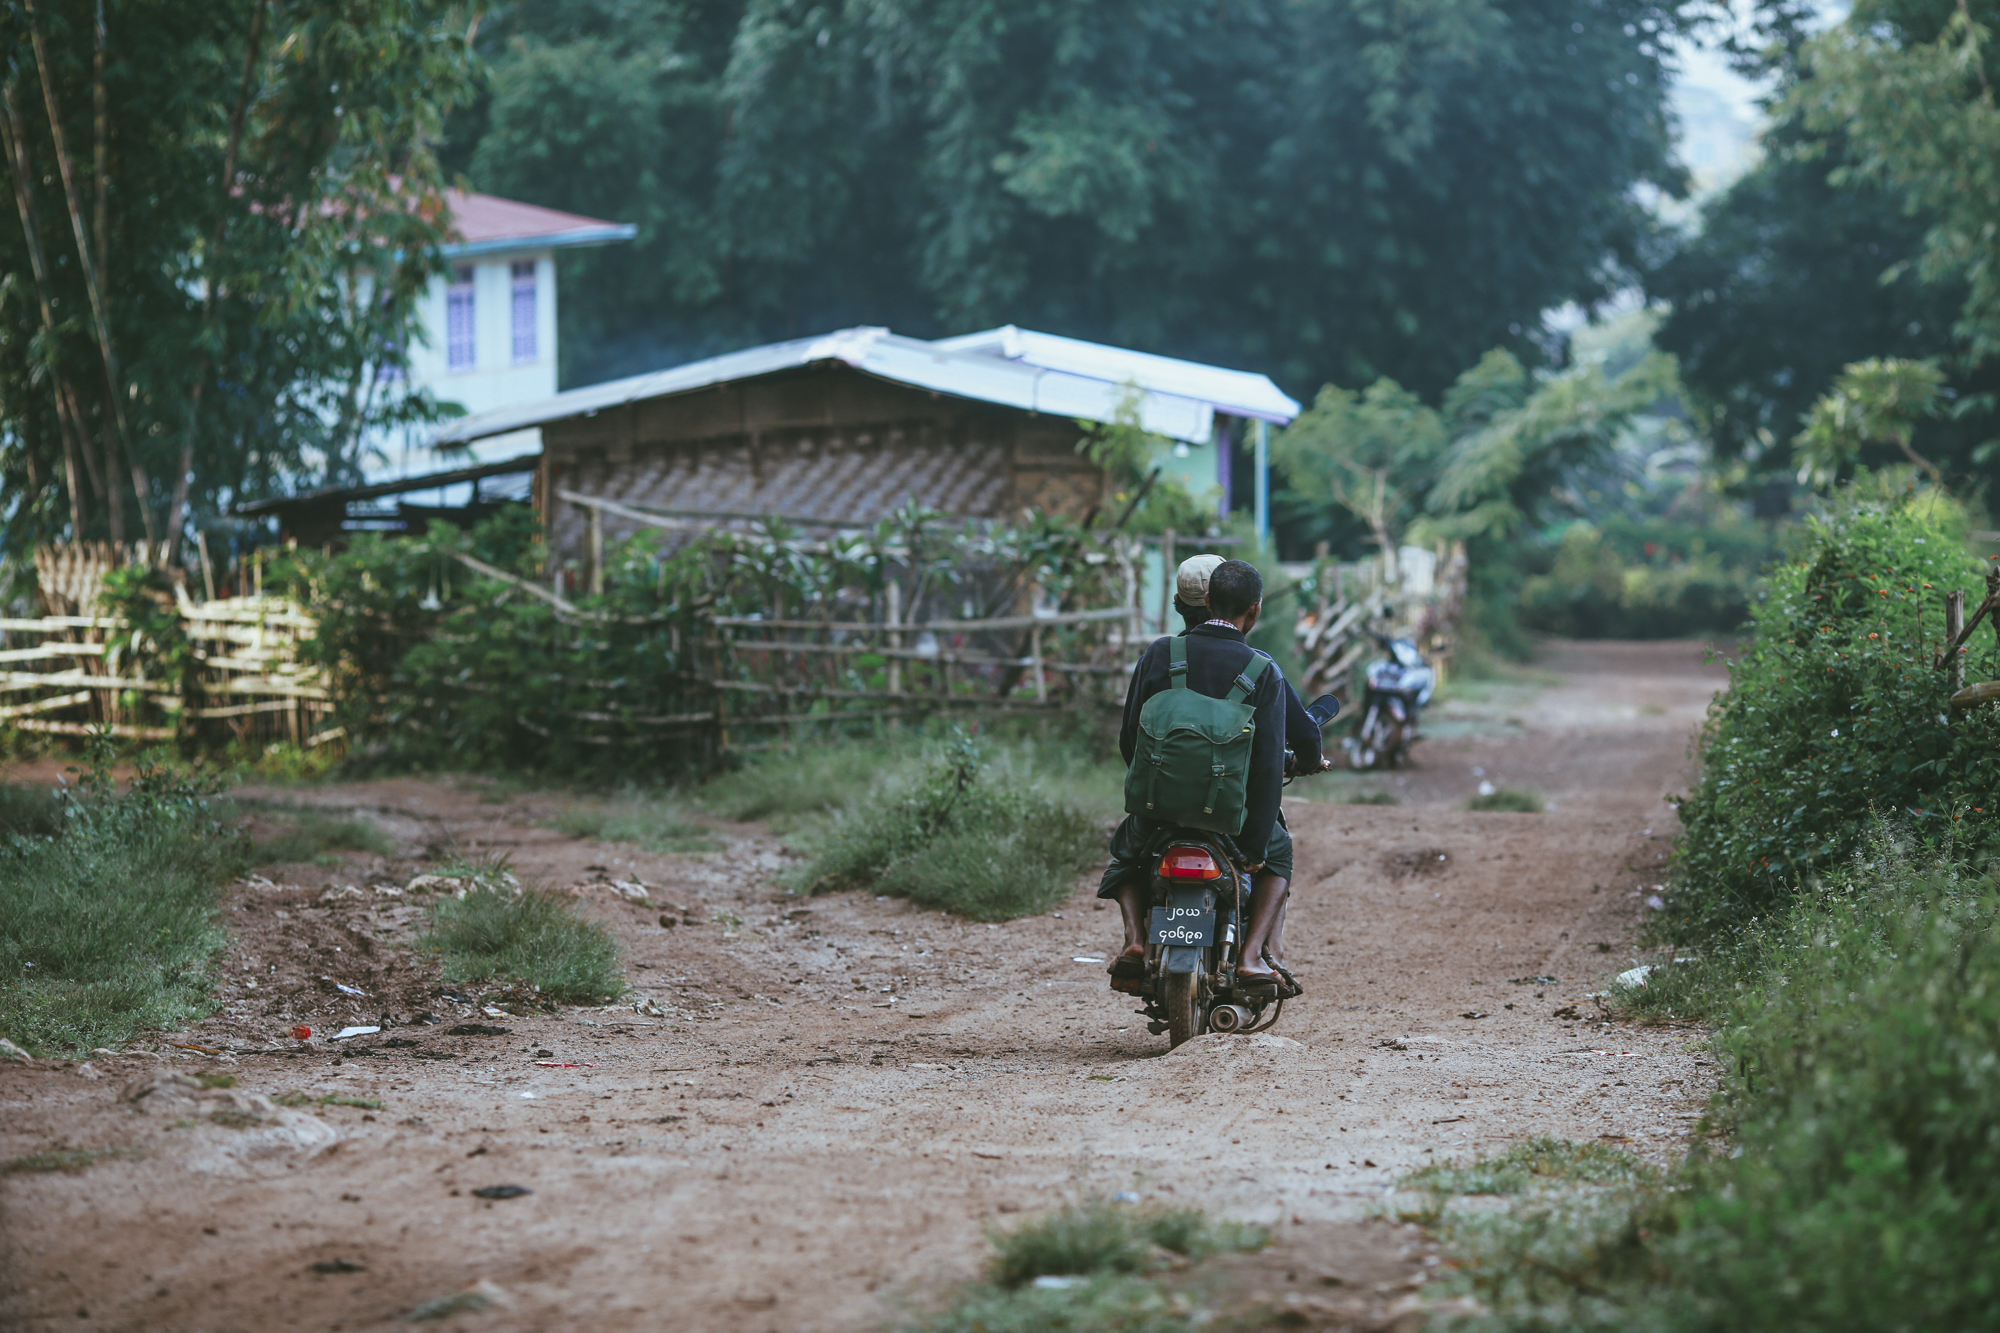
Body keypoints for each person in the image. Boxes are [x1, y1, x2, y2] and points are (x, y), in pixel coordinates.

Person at [1100, 557, 1328, 997]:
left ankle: (1133, 939)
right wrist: (1256, 847)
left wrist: (1151, 787)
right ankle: (1250, 957)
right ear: (1255, 610)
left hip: (1159, 808)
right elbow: (1265, 768)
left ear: (1204, 601)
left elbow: (1131, 737)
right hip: (1231, 816)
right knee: (1280, 858)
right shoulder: (1262, 670)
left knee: (1126, 852)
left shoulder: (1159, 653)